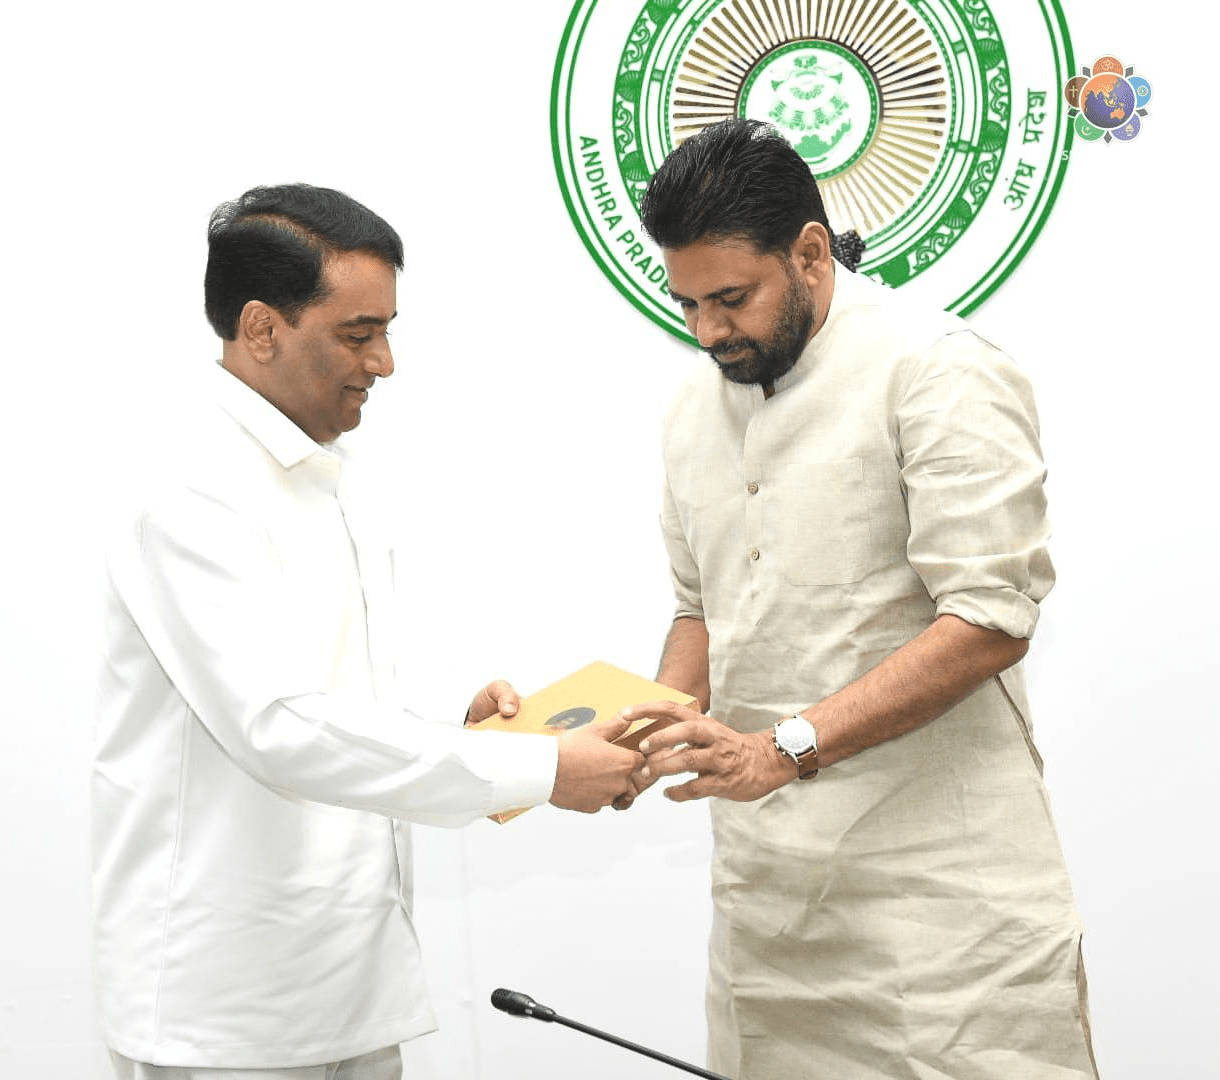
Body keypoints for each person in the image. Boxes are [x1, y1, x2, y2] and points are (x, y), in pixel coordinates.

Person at [91, 183, 641, 1080]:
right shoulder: (190, 487)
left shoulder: (326, 466)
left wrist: (459, 732)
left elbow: (335, 699)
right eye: (357, 333)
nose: (384, 362)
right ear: (262, 329)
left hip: (346, 979)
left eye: (386, 329)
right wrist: (538, 769)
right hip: (231, 1005)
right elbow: (276, 725)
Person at [619, 120, 1099, 1079]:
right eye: (686, 303)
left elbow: (989, 620)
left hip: (943, 917)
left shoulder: (938, 369)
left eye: (730, 299)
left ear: (808, 253)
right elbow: (699, 612)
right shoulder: (689, 406)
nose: (709, 330)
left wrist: (781, 748)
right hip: (768, 914)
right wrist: (633, 730)